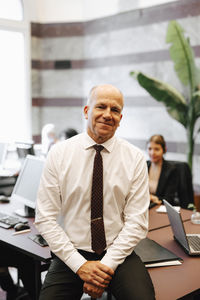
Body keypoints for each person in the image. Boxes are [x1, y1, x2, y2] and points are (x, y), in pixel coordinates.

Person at [35, 84, 155, 300]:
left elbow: (137, 223)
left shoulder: (135, 158)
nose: (108, 115)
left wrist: (104, 267)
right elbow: (45, 219)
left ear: (121, 117)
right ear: (86, 111)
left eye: (115, 110)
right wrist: (80, 265)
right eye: (101, 106)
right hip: (71, 252)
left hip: (117, 252)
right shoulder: (59, 154)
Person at [147, 134, 179, 206]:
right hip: (144, 206)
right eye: (150, 149)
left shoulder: (171, 170)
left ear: (164, 150)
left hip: (160, 207)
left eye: (157, 149)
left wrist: (151, 198)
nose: (152, 153)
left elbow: (169, 199)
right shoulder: (144, 165)